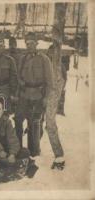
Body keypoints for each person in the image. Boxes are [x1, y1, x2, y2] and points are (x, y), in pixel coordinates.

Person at [15, 32, 54, 157]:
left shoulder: (44, 59)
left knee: (35, 123)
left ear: (36, 44)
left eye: (32, 43)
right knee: (18, 120)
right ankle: (17, 148)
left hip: (38, 95)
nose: (29, 45)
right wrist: (18, 90)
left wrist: (46, 98)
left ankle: (34, 151)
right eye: (27, 43)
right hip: (24, 95)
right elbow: (18, 77)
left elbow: (50, 81)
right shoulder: (22, 58)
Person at [0, 100, 30, 166]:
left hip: (5, 149)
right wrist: (0, 150)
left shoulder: (7, 121)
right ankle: (10, 163)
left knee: (25, 152)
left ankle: (6, 162)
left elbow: (12, 138)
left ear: (2, 111)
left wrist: (12, 154)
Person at [45, 27, 66, 170]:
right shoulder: (46, 62)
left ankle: (59, 156)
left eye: (53, 53)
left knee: (50, 124)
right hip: (44, 95)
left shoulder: (59, 67)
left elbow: (61, 83)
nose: (51, 55)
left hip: (51, 96)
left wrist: (54, 97)